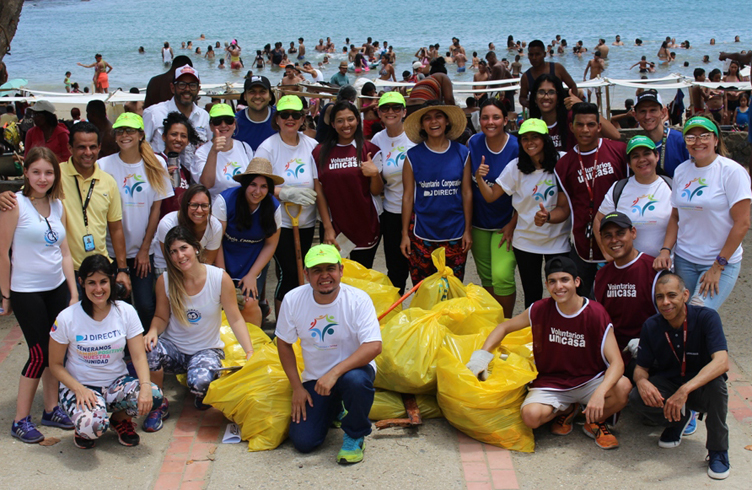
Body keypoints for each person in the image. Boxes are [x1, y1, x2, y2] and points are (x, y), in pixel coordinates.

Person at [467, 257, 631, 450]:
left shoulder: (595, 313)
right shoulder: (540, 308)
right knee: (530, 417)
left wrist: (600, 393)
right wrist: (482, 356)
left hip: (589, 380)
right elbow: (504, 327)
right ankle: (569, 408)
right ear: (546, 285)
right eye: (552, 281)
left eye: (564, 280)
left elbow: (617, 363)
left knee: (623, 387)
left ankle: (594, 421)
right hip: (553, 382)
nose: (558, 286)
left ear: (576, 282)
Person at [276, 244, 382, 463]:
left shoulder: (358, 300)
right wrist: (297, 387)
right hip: (316, 380)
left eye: (330, 269)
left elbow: (373, 346)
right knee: (304, 442)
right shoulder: (293, 300)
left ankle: (355, 434)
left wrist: (334, 373)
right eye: (317, 270)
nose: (325, 276)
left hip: (353, 372)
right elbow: (284, 343)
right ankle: (334, 408)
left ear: (341, 270)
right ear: (306, 274)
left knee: (355, 381)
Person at [0, 147, 78, 443]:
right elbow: (3, 254)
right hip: (26, 290)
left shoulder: (58, 204)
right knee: (38, 353)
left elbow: (65, 252)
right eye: (36, 172)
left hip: (56, 287)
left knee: (56, 352)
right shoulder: (14, 204)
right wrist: (5, 295)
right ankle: (20, 420)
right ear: (26, 174)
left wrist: (72, 292)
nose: (42, 178)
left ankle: (51, 408)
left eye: (48, 172)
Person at [143, 226, 253, 428]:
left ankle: (198, 388)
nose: (180, 256)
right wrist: (151, 331)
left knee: (201, 384)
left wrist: (249, 351)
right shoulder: (165, 281)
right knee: (149, 349)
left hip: (206, 349)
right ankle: (157, 404)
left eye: (183, 248)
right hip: (175, 348)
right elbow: (160, 316)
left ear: (195, 248)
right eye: (173, 251)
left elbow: (235, 318)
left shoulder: (219, 278)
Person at [49, 254, 162, 449]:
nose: (98, 289)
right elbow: (55, 365)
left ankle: (120, 420)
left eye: (103, 281)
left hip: (115, 384)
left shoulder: (126, 311)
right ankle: (86, 424)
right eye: (91, 283)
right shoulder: (67, 318)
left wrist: (144, 385)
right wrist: (78, 389)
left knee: (154, 394)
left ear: (111, 280)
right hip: (81, 386)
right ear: (81, 283)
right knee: (93, 428)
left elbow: (137, 356)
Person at [629, 272, 731, 480]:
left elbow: (722, 362)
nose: (665, 302)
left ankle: (718, 451)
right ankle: (677, 420)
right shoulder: (652, 325)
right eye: (659, 297)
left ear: (685, 295)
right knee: (636, 397)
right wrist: (641, 381)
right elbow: (641, 368)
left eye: (671, 295)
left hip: (699, 386)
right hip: (670, 382)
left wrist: (685, 390)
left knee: (717, 387)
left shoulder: (707, 318)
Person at [654, 117, 751, 310]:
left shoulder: (732, 172)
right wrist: (665, 249)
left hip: (720, 261)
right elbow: (676, 215)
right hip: (685, 259)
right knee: (680, 313)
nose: (698, 142)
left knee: (699, 312)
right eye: (691, 137)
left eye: (704, 136)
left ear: (716, 140)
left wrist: (717, 267)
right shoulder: (682, 171)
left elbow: (742, 223)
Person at [478, 119, 570, 308]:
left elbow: (565, 207)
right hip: (526, 242)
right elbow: (491, 196)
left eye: (535, 137)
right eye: (525, 138)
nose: (530, 142)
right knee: (532, 295)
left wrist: (548, 217)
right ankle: (534, 334)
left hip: (558, 242)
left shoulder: (563, 161)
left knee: (562, 293)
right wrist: (479, 178)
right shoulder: (516, 167)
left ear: (546, 139)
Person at [98, 113, 173, 329]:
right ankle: (123, 353)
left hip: (143, 250)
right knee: (118, 305)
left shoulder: (156, 163)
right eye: (120, 131)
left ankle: (147, 349)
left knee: (145, 305)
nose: (124, 135)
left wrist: (144, 249)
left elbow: (156, 209)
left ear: (141, 135)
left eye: (129, 131)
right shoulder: (103, 165)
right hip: (112, 251)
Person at [549, 103, 628, 296]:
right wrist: (548, 216)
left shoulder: (619, 152)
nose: (585, 130)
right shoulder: (563, 165)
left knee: (617, 299)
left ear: (599, 126)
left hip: (617, 240)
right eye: (580, 124)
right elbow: (565, 206)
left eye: (591, 124)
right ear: (572, 127)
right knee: (583, 301)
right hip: (582, 244)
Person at [255, 96, 319, 311]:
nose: (290, 119)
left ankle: (298, 319)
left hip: (307, 222)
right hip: (279, 223)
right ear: (277, 119)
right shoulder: (267, 148)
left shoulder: (312, 146)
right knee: (288, 273)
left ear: (303, 118)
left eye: (296, 115)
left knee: (302, 272)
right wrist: (283, 192)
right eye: (285, 115)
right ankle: (282, 327)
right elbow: (254, 186)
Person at [401, 102, 471, 282]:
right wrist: (404, 235)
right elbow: (408, 196)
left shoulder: (462, 153)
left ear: (447, 121)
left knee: (452, 290)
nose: (434, 122)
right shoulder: (413, 156)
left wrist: (468, 230)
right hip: (421, 233)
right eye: (428, 118)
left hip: (455, 231)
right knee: (424, 289)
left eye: (438, 116)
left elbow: (466, 193)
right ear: (422, 124)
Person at [314, 101, 383, 268]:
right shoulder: (319, 152)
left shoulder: (370, 149)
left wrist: (374, 174)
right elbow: (319, 192)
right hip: (335, 226)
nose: (346, 125)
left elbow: (377, 191)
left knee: (363, 277)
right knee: (335, 275)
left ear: (357, 121)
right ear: (332, 124)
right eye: (340, 120)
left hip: (366, 223)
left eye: (350, 119)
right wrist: (328, 227)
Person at [213, 158, 281, 327]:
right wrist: (222, 274)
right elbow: (216, 240)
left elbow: (270, 244)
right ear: (244, 184)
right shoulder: (225, 201)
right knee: (222, 303)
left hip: (253, 261)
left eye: (264, 186)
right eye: (253, 184)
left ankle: (253, 345)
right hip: (225, 257)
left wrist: (252, 274)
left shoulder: (273, 207)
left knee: (249, 302)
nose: (257, 191)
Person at [467, 99, 519, 315]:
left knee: (502, 275)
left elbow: (525, 191)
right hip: (479, 222)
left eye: (496, 117)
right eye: (485, 117)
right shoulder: (473, 142)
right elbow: (466, 187)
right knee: (486, 276)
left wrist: (513, 223)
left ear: (505, 120)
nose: (490, 122)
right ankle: (492, 321)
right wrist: (467, 226)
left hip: (506, 223)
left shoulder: (516, 147)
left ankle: (506, 321)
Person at [593, 211, 659, 374]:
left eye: (620, 233)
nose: (614, 240)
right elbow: (597, 322)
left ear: (633, 233)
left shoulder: (654, 270)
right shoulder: (601, 276)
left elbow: (671, 318)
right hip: (612, 355)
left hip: (648, 354)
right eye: (608, 235)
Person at [593, 136, 672, 259]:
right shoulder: (618, 188)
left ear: (656, 156)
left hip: (664, 267)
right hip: (628, 268)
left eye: (647, 154)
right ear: (629, 163)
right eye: (635, 156)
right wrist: (607, 254)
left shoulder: (671, 187)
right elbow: (598, 220)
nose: (642, 160)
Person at [370, 92, 415, 294]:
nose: (391, 112)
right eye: (385, 108)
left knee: (422, 270)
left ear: (404, 111)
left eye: (396, 107)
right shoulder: (377, 140)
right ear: (379, 113)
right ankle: (397, 317)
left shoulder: (415, 136)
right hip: (392, 213)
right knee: (396, 271)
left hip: (420, 212)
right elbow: (376, 183)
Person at [143, 64, 210, 172]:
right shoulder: (153, 113)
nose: (187, 89)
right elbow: (142, 147)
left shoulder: (204, 116)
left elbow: (209, 148)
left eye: (192, 85)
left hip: (195, 182)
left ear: (198, 89)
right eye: (182, 84)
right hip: (162, 178)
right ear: (172, 88)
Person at [153, 184, 222, 273]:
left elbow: (207, 262)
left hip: (197, 266)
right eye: (194, 205)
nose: (199, 210)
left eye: (204, 206)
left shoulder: (215, 226)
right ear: (185, 206)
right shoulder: (167, 224)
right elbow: (171, 260)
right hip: (168, 266)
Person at [192, 104, 253, 201]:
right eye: (217, 121)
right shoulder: (202, 152)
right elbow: (206, 184)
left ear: (234, 124)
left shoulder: (244, 147)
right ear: (211, 126)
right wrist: (213, 152)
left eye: (228, 120)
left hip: (241, 208)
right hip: (216, 209)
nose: (223, 125)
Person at [629, 90, 689, 178]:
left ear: (663, 112)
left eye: (653, 110)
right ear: (635, 115)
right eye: (642, 111)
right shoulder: (636, 146)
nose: (647, 116)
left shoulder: (680, 141)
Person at [157, 111, 200, 216]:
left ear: (188, 141)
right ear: (164, 137)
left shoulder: (185, 171)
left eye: (183, 136)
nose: (179, 139)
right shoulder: (155, 161)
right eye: (174, 134)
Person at [519, 40, 578, 109]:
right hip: (538, 115)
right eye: (531, 55)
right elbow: (522, 97)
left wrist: (572, 104)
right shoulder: (526, 77)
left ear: (544, 54)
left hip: (560, 113)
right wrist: (531, 104)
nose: (534, 58)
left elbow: (572, 85)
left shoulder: (557, 68)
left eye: (537, 54)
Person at [528, 74, 574, 152]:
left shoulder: (571, 119)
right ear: (535, 98)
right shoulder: (530, 125)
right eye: (541, 92)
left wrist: (581, 106)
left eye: (551, 92)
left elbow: (600, 134)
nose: (546, 97)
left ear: (558, 98)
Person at [235, 76, 276, 151]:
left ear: (270, 96)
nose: (257, 96)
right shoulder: (234, 123)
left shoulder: (282, 118)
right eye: (252, 92)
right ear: (244, 96)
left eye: (262, 92)